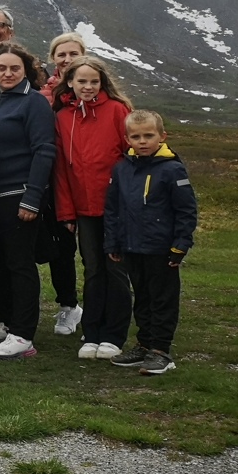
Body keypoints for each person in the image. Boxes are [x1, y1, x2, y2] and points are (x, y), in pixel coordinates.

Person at [0, 42, 56, 360]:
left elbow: (44, 150)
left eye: (15, 68)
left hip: (17, 195)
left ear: (26, 71)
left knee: (20, 265)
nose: (8, 73)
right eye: (1, 68)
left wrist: (33, 197)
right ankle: (5, 321)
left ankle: (23, 334)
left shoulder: (33, 102)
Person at [104, 110, 197, 376]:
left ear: (162, 136)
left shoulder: (172, 169)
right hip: (131, 247)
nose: (142, 141)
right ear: (127, 139)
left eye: (148, 135)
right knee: (142, 297)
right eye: (136, 136)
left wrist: (180, 245)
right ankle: (144, 344)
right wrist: (113, 242)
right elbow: (112, 209)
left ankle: (161, 350)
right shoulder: (121, 169)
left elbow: (186, 211)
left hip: (162, 249)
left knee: (162, 299)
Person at [54, 56, 134, 360]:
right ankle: (92, 332)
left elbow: (132, 158)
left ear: (102, 83)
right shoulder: (62, 117)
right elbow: (61, 170)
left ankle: (114, 335)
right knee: (93, 270)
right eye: (82, 81)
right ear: (70, 82)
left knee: (116, 270)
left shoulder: (117, 110)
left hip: (116, 208)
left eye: (94, 81)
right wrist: (66, 212)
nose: (87, 87)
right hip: (83, 210)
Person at [41, 31, 86, 106]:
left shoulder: (97, 88)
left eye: (73, 54)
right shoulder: (43, 95)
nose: (67, 60)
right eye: (61, 55)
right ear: (53, 58)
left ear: (83, 55)